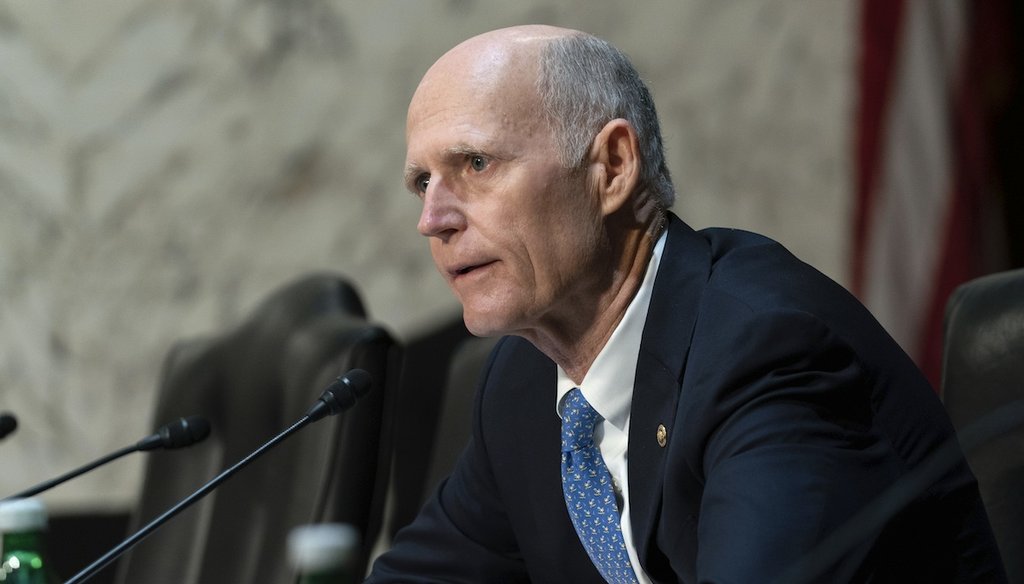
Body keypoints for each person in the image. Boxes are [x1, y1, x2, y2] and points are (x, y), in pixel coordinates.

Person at [367, 25, 1006, 583]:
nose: (433, 219)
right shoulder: (522, 380)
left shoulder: (767, 351)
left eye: (476, 163)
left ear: (612, 167)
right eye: (423, 182)